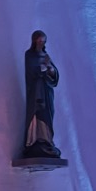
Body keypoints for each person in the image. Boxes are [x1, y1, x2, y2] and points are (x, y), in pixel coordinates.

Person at [23, 30, 62, 159]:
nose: (42, 43)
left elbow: (54, 76)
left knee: (47, 115)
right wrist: (42, 69)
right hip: (35, 93)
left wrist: (50, 69)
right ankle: (33, 141)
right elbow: (31, 73)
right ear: (34, 41)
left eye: (44, 41)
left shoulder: (46, 56)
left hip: (46, 93)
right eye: (39, 41)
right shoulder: (29, 56)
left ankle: (46, 141)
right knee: (36, 114)